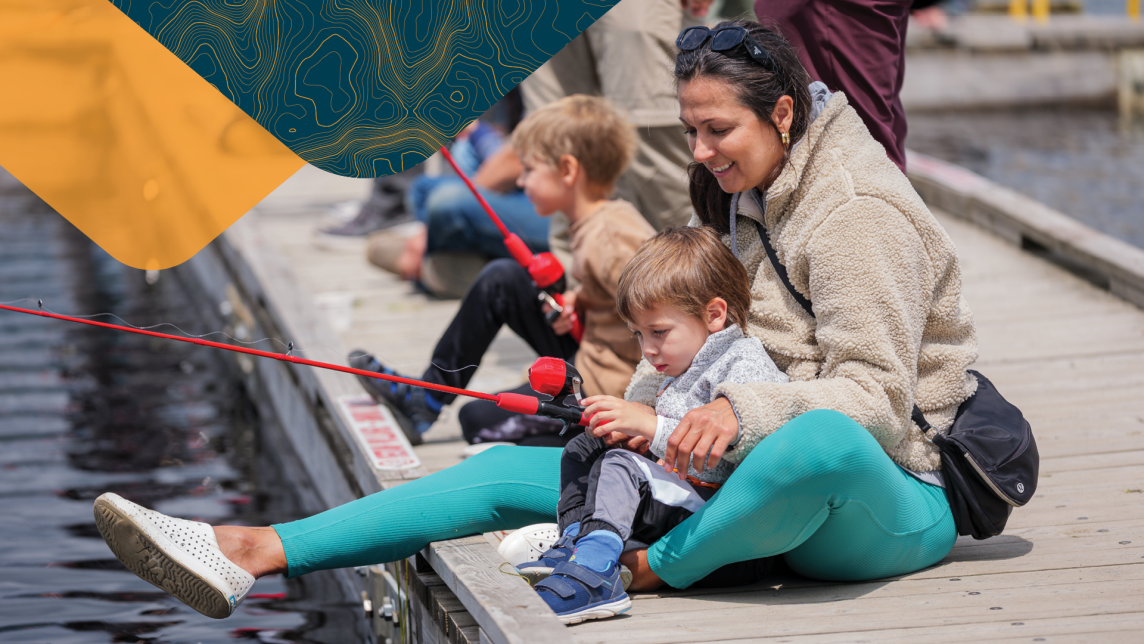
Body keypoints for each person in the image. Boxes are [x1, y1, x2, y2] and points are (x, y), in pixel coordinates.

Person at [91, 20, 978, 622]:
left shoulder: (857, 211)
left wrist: (731, 418)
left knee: (811, 441)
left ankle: (640, 569)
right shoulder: (749, 195)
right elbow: (695, 346)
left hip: (883, 494)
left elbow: (876, 399)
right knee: (507, 466)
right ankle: (251, 549)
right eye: (691, 131)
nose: (701, 154)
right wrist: (633, 420)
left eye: (717, 132)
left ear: (783, 115)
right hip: (730, 475)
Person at [514, 226, 788, 623]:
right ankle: (576, 542)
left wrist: (652, 427)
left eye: (659, 332)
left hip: (716, 516)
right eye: (639, 335)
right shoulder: (682, 364)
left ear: (714, 315)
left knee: (620, 466)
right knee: (585, 447)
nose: (649, 350)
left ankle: (594, 575)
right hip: (681, 495)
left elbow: (730, 460)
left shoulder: (742, 362)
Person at [350, 95, 655, 446]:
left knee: (476, 421)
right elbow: (611, 297)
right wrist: (580, 302)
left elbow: (659, 315)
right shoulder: (596, 223)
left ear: (568, 171)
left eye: (530, 170)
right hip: (589, 351)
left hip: (605, 389)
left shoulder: (614, 239)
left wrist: (641, 414)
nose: (522, 182)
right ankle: (427, 398)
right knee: (502, 278)